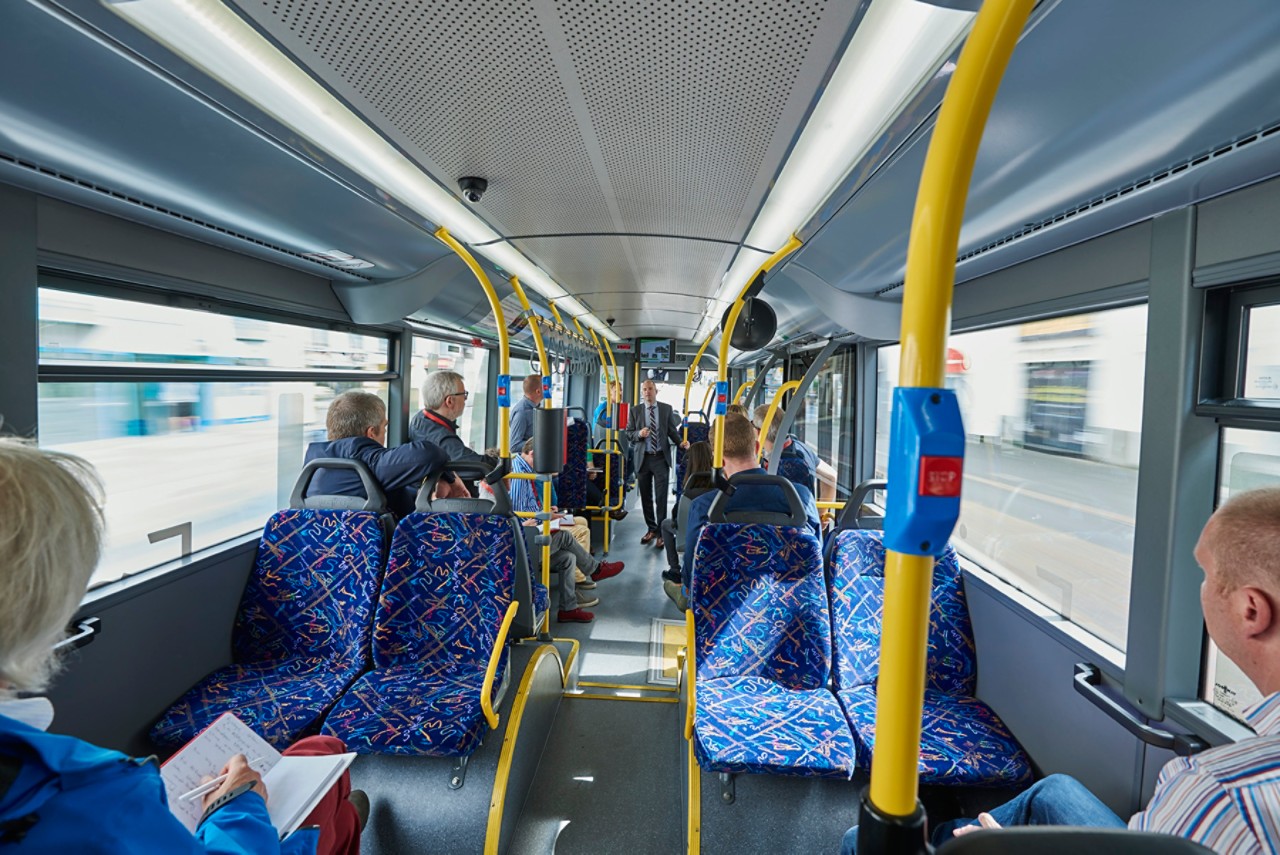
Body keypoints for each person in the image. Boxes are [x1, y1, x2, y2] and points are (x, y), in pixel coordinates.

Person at [842, 486, 1280, 854]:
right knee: (1056, 792)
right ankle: (944, 838)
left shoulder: (1223, 795)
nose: (1198, 590)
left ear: (1250, 609)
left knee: (861, 842)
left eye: (1204, 573)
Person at [0, 439, 364, 854]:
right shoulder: (95, 798)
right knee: (330, 774)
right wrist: (235, 804)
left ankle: (343, 819)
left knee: (324, 752)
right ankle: (342, 821)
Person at [674, 415, 820, 610]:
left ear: (717, 459)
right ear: (757, 448)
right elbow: (816, 560)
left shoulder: (705, 506)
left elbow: (693, 571)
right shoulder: (801, 498)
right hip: (792, 613)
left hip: (722, 610)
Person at [508, 440, 624, 624]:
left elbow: (530, 510)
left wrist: (549, 513)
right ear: (532, 453)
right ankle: (595, 569)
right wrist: (547, 517)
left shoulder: (525, 470)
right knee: (564, 536)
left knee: (567, 559)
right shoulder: (521, 476)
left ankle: (568, 609)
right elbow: (526, 520)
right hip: (522, 545)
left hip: (528, 537)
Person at [304, 390, 466, 517]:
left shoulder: (314, 462)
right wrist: (451, 478)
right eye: (385, 427)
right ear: (371, 432)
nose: (385, 433)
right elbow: (430, 453)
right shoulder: (368, 460)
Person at [625, 379, 689, 548]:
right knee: (645, 496)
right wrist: (639, 433)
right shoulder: (635, 411)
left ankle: (661, 533)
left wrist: (681, 442)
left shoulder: (666, 409)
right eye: (644, 389)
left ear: (656, 391)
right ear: (642, 392)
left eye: (650, 389)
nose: (647, 392)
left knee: (661, 497)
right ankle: (651, 529)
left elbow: (671, 431)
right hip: (643, 458)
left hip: (660, 457)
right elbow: (629, 433)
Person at [753, 403, 838, 525]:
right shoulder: (800, 447)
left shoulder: (781, 464)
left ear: (758, 431)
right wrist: (820, 514)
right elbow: (831, 476)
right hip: (804, 525)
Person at [409, 369, 499, 469]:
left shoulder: (420, 419)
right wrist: (500, 461)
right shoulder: (442, 438)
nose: (465, 399)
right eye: (464, 394)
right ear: (450, 401)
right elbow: (478, 466)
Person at [661, 441, 714, 587]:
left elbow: (676, 516)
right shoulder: (719, 483)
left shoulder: (690, 488)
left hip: (689, 536)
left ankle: (675, 570)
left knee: (665, 525)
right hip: (714, 534)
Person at [508, 373, 543, 451]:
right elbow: (514, 446)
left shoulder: (537, 408)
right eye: (546, 387)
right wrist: (541, 442)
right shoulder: (522, 413)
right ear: (538, 391)